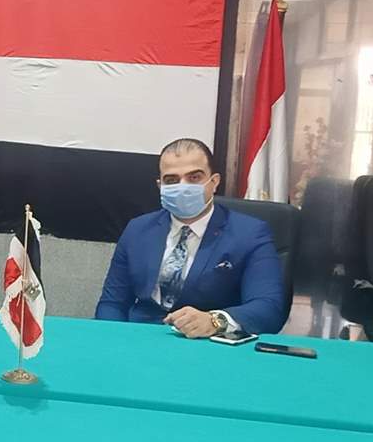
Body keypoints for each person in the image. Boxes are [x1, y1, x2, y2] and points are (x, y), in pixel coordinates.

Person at [94, 138, 287, 336]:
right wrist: (111, 340)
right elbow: (112, 303)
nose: (183, 186)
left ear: (214, 182)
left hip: (208, 341)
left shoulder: (250, 233)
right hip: (141, 337)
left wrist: (215, 321)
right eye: (172, 180)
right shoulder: (138, 229)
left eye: (194, 177)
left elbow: (269, 308)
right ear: (160, 186)